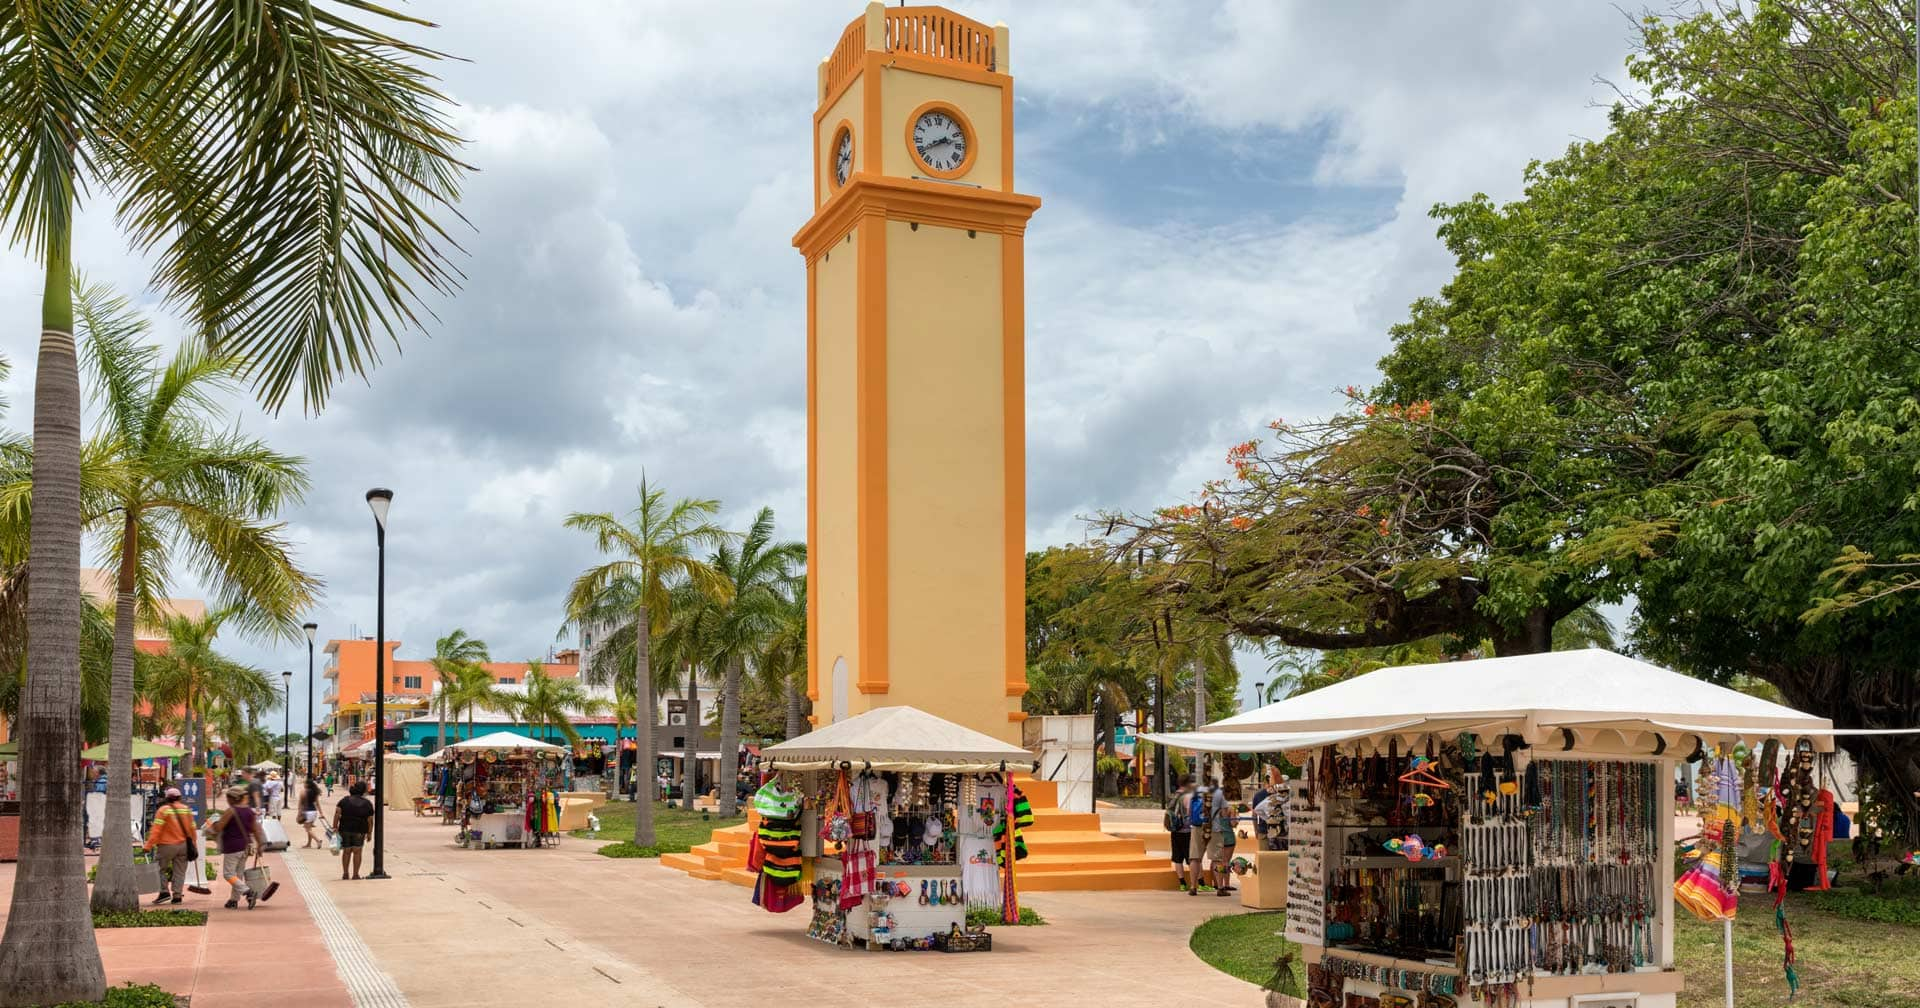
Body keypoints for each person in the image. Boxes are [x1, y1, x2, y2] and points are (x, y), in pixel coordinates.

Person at [205, 785, 270, 909]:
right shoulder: (249, 811)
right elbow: (256, 830)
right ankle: (233, 900)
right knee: (238, 874)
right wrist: (261, 844)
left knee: (228, 874)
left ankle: (248, 891)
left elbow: (219, 828)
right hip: (246, 846)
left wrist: (210, 824)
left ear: (232, 799)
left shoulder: (231, 811)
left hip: (232, 846)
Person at [143, 787, 198, 904]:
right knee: (180, 871)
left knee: (159, 868)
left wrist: (148, 845)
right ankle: (177, 896)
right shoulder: (186, 809)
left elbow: (156, 830)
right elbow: (192, 829)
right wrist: (194, 844)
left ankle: (164, 892)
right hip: (184, 846)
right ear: (179, 797)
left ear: (167, 798)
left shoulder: (163, 810)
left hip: (166, 846)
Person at [333, 780, 376, 880]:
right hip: (360, 830)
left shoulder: (344, 800)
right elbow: (370, 820)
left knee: (346, 851)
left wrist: (335, 827)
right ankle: (355, 874)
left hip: (345, 829)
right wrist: (370, 833)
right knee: (357, 851)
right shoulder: (367, 803)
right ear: (363, 791)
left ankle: (345, 873)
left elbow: (337, 814)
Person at [1165, 773, 1199, 894]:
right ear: (1189, 783)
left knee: (1177, 858)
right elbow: (1191, 812)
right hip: (1187, 830)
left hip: (1175, 830)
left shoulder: (1175, 795)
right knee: (1191, 857)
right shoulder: (1188, 796)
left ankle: (1182, 883)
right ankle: (1195, 883)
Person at [298, 777, 323, 848]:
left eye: (305, 783)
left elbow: (300, 804)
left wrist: (299, 813)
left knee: (307, 828)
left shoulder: (303, 792)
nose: (304, 784)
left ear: (307, 784)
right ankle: (309, 844)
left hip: (307, 812)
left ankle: (318, 840)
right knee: (309, 828)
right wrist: (321, 813)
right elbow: (317, 803)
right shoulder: (315, 792)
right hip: (314, 811)